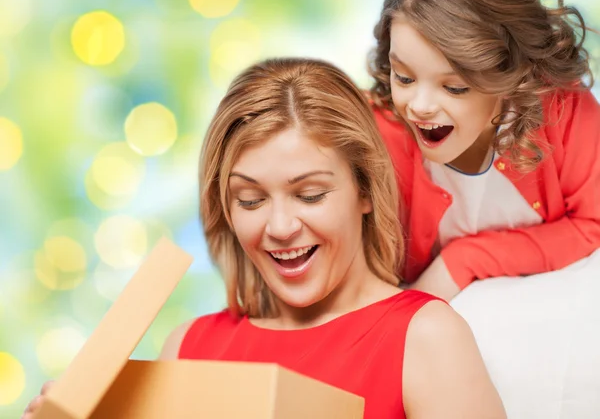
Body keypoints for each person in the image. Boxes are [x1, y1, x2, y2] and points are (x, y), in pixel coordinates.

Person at [24, 58, 505, 419]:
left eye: (310, 195)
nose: (278, 228)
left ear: (364, 190)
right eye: (250, 200)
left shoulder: (424, 337)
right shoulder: (189, 346)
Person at [368, 0, 600, 300]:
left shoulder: (562, 107)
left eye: (454, 87)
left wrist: (466, 260)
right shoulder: (373, 136)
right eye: (404, 77)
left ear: (513, 75)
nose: (419, 106)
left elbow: (594, 223)